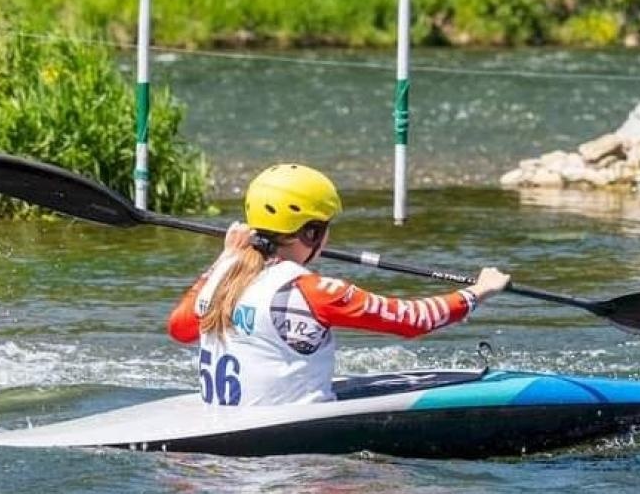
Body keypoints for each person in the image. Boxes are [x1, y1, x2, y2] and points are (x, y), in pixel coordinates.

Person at [168, 163, 510, 406]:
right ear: (311, 233)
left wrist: (223, 257)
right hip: (292, 455)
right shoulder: (313, 292)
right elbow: (411, 320)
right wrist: (478, 291)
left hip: (229, 436)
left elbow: (180, 329)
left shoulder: (220, 274)